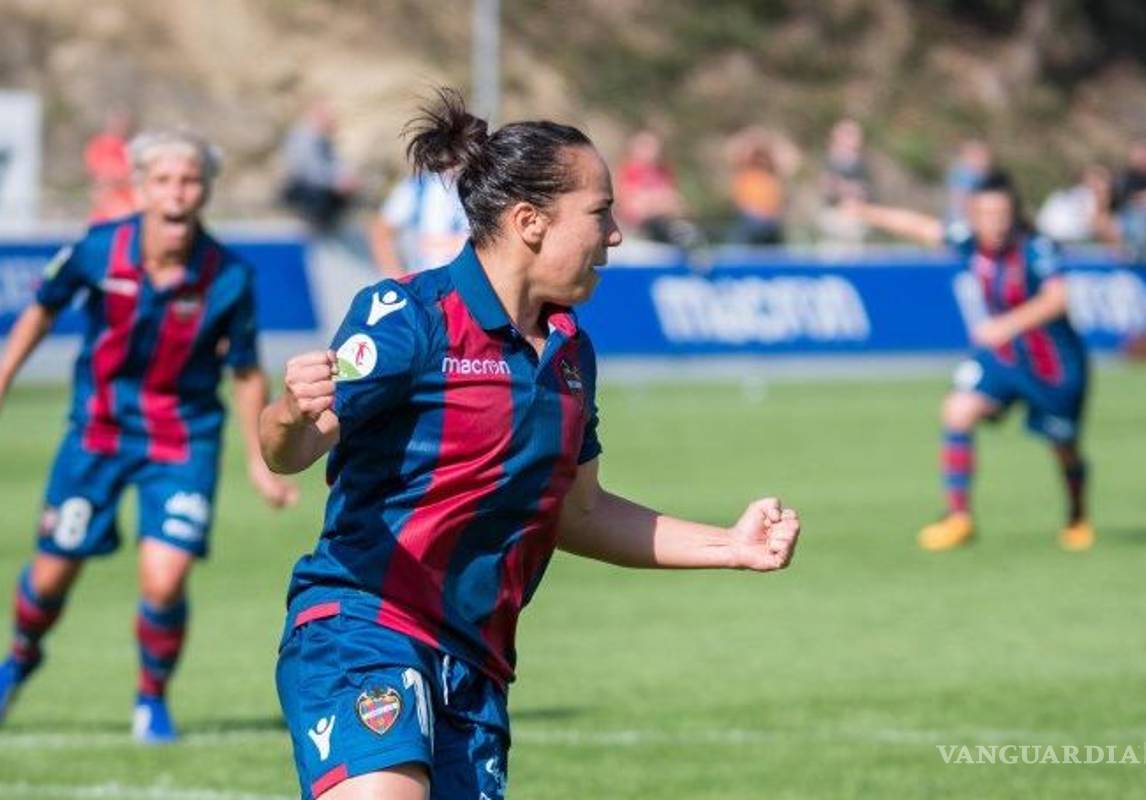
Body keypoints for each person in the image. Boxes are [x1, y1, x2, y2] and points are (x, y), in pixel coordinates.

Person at [260, 89, 802, 800]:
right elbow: (292, 449)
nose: (614, 234)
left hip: (476, 665)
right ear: (530, 222)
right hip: (364, 626)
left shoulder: (572, 354)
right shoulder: (409, 318)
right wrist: (292, 412)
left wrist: (730, 545)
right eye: (600, 211)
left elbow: (579, 513)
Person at [0, 129, 298, 742]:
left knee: (164, 577)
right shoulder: (99, 249)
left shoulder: (229, 276)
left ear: (206, 190)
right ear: (139, 187)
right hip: (98, 433)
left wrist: (259, 460)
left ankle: (151, 701)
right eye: (163, 180)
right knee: (52, 576)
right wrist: (5, 370)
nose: (176, 192)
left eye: (188, 180)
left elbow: (244, 370)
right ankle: (23, 654)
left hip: (182, 439)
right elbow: (45, 305)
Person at [846, 171, 1093, 552]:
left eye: (1002, 214)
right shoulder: (969, 243)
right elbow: (921, 227)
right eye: (987, 214)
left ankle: (1077, 515)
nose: (995, 222)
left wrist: (1006, 324)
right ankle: (959, 518)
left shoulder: (1036, 249)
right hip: (1004, 359)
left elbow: (1057, 299)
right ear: (973, 216)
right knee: (957, 410)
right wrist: (865, 211)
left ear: (1014, 215)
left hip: (1053, 366)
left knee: (1063, 446)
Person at [368, 167, 469, 279]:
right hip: (425, 285)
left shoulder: (484, 191)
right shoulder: (418, 187)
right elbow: (381, 231)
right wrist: (400, 280)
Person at [613, 129, 701, 249]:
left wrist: (656, 203)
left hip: (665, 227)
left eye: (653, 146)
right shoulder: (628, 172)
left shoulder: (664, 172)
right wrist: (659, 203)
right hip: (640, 232)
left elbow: (678, 204)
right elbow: (633, 209)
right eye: (645, 146)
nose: (651, 151)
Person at [280, 100, 360, 231]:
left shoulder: (324, 141)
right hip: (308, 198)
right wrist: (336, 182)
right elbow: (307, 172)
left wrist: (346, 179)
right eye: (330, 118)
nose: (334, 122)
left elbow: (337, 166)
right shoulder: (303, 139)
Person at [817, 118, 871, 243]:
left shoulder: (862, 163)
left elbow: (866, 190)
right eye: (848, 134)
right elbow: (827, 187)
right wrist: (845, 189)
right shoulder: (830, 160)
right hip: (835, 215)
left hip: (858, 214)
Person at [84, 108, 138, 223]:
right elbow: (102, 177)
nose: (120, 125)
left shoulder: (131, 148)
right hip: (105, 214)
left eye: (123, 122)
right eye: (116, 121)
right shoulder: (98, 146)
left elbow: (135, 177)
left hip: (128, 212)